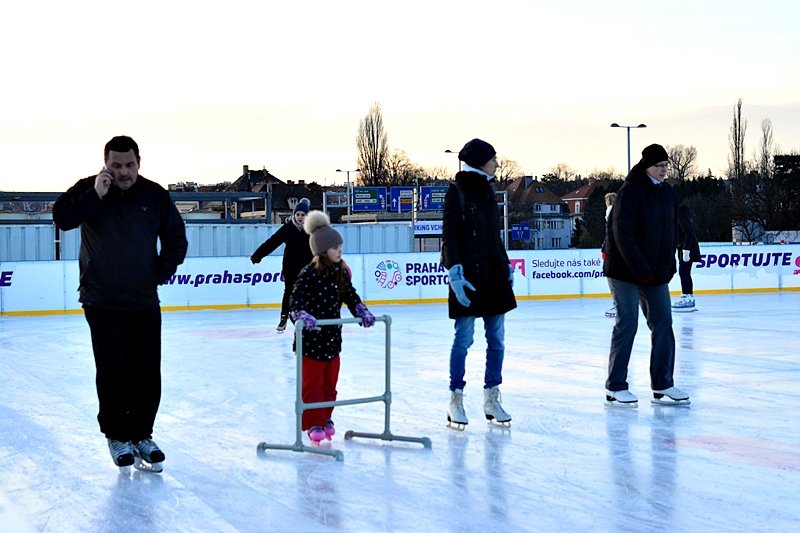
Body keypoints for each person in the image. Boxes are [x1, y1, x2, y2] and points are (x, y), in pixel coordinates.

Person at [53, 136, 188, 471]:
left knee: (146, 371)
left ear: (139, 162)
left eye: (129, 165)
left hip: (142, 298)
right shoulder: (89, 189)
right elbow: (63, 218)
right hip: (101, 300)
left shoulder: (154, 194)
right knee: (113, 369)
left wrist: (159, 272)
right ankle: (117, 435)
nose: (123, 172)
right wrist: (94, 195)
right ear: (105, 164)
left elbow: (176, 237)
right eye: (116, 165)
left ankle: (142, 434)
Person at [602, 144, 690, 407]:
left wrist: (668, 265)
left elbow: (672, 230)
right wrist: (641, 270)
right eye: (659, 166)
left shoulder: (667, 193)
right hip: (624, 271)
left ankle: (663, 384)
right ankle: (615, 386)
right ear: (646, 166)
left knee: (663, 323)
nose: (664, 171)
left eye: (666, 166)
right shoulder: (630, 192)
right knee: (627, 323)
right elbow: (622, 235)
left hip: (655, 273)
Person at [440, 138, 517, 429]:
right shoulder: (457, 191)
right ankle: (455, 399)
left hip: (494, 277)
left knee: (497, 340)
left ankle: (491, 398)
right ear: (479, 161)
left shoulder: (488, 190)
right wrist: (455, 274)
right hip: (469, 278)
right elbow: (449, 236)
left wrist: (505, 263)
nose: (497, 163)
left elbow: (494, 237)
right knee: (464, 339)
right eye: (493, 158)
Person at [289, 210, 376, 446]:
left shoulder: (340, 272)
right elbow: (295, 300)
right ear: (322, 250)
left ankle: (326, 418)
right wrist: (301, 314)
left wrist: (360, 310)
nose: (340, 251)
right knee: (312, 386)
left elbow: (350, 295)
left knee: (330, 386)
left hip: (332, 340)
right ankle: (313, 423)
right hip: (311, 342)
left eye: (340, 246)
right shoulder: (308, 273)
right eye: (335, 247)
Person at [251, 198, 313, 332]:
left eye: (303, 215)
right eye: (298, 214)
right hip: (290, 267)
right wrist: (258, 255)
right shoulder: (288, 228)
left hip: (307, 268)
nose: (300, 217)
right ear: (294, 215)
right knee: (289, 292)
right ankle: (284, 318)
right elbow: (272, 242)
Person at [672, 204, 701, 312]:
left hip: (687, 249)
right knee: (684, 272)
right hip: (684, 248)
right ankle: (688, 296)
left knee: (684, 272)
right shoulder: (679, 216)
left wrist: (686, 250)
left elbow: (688, 234)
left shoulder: (681, 216)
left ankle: (687, 297)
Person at [603, 192, 618, 318]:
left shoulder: (610, 211)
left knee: (613, 278)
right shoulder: (620, 211)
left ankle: (618, 304)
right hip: (616, 249)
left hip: (612, 250)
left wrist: (604, 248)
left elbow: (609, 233)